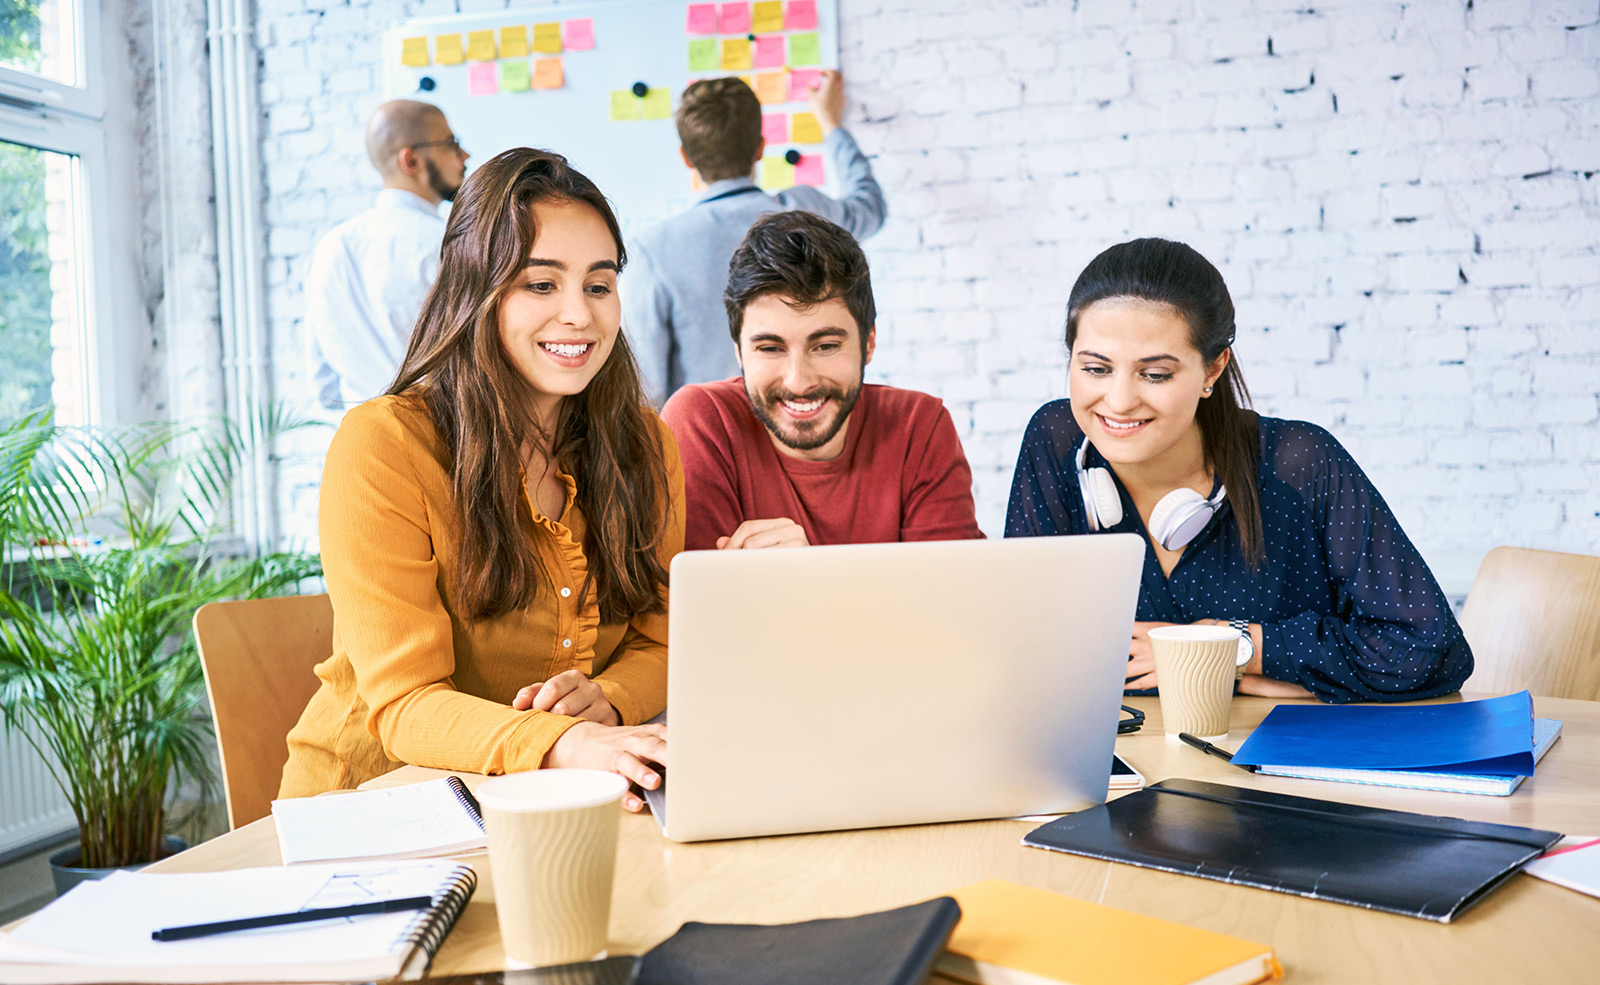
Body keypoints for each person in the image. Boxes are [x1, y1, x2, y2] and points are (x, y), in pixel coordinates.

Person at [281, 149, 681, 813]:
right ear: (476, 288)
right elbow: (405, 703)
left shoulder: (643, 442)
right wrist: (565, 741)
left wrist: (608, 697)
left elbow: (660, 638)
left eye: (598, 284)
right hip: (373, 811)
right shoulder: (385, 443)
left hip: (555, 804)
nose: (580, 315)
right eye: (541, 284)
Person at [1005, 238, 1473, 704]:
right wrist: (1277, 677)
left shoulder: (1299, 462)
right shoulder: (1057, 440)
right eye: (1095, 368)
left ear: (1213, 369)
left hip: (1279, 770)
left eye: (1155, 375)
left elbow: (1431, 649)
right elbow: (1022, 646)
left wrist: (1231, 648)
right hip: (1126, 767)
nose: (1120, 400)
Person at [661, 210, 982, 551]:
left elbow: (949, 599)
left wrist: (802, 579)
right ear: (739, 351)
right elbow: (701, 600)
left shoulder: (919, 427)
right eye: (770, 348)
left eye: (826, 346)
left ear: (868, 342)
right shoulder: (702, 420)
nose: (799, 381)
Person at [624, 70, 888, 404]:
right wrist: (830, 122)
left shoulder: (652, 251)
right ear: (761, 148)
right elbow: (870, 206)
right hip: (803, 428)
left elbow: (647, 391)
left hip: (700, 445)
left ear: (686, 158)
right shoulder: (806, 214)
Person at [304, 100, 470, 410]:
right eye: (452, 144)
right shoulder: (448, 246)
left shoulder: (329, 248)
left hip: (360, 442)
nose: (464, 156)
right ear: (411, 161)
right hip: (440, 438)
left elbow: (322, 383)